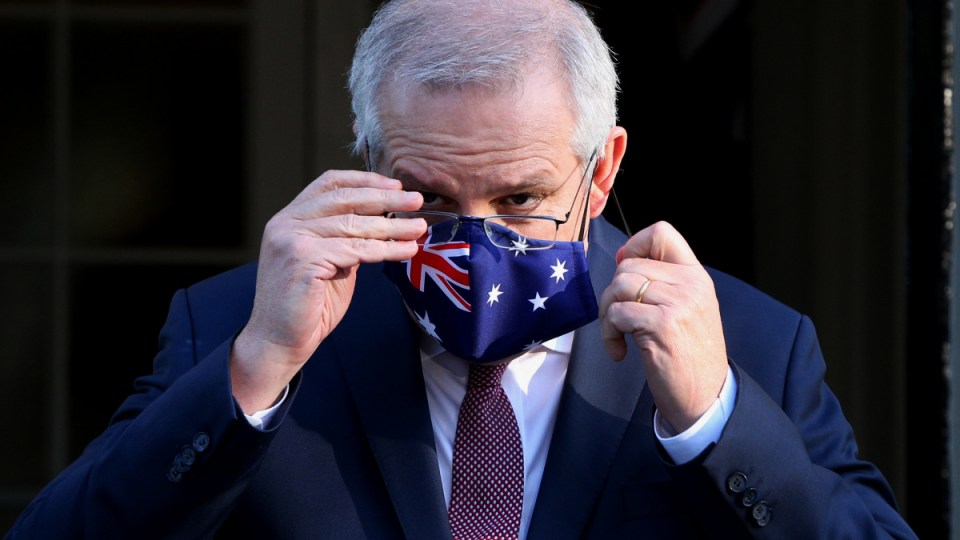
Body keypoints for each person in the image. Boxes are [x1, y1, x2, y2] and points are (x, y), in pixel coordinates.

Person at [6, 0, 918, 538]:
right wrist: (254, 373)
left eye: (520, 200)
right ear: (370, 161)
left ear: (601, 171)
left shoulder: (748, 341)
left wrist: (716, 421)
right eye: (432, 199)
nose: (475, 242)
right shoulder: (239, 327)